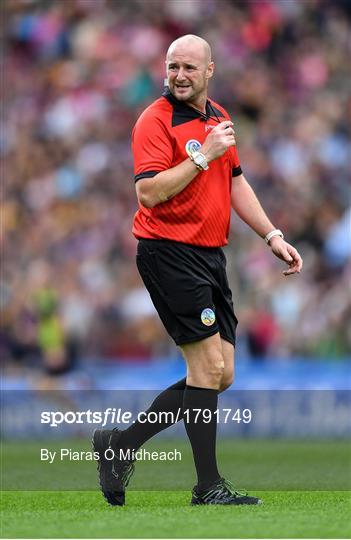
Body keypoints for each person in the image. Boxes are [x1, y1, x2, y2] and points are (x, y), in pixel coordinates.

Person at [93, 34, 303, 506]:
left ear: (210, 71)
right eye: (172, 67)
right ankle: (207, 485)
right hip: (167, 252)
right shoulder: (154, 121)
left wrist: (272, 236)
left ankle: (120, 445)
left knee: (221, 372)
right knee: (207, 367)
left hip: (210, 255)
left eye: (189, 67)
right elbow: (148, 193)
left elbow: (235, 181)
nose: (179, 76)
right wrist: (202, 154)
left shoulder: (219, 118)